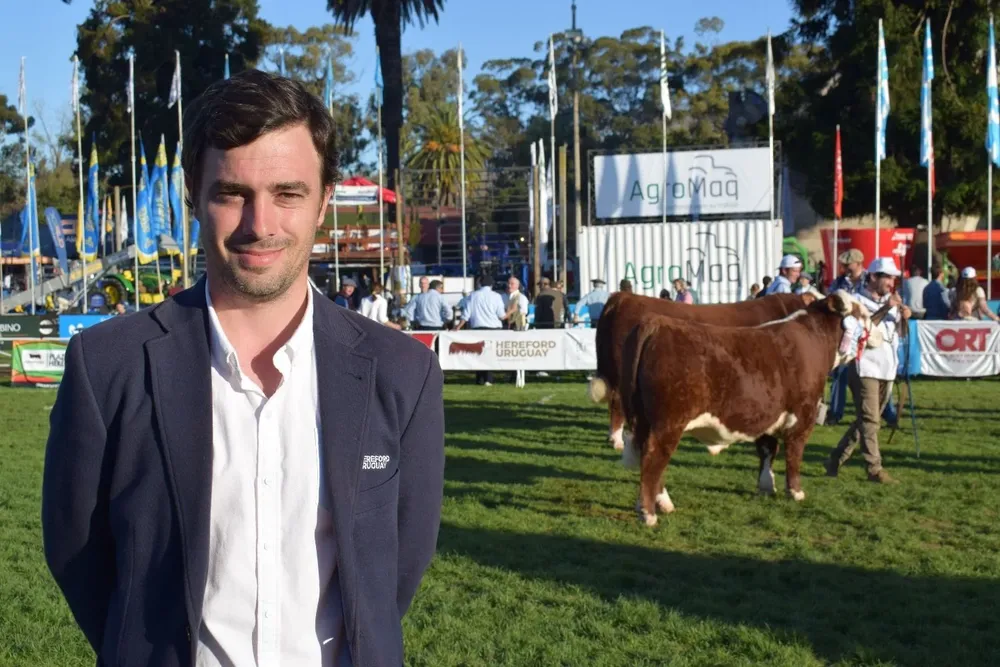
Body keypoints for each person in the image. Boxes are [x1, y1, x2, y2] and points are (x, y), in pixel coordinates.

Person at [41, 69, 445, 667]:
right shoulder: (108, 367)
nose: (261, 225)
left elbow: (395, 571)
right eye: (233, 194)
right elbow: (78, 554)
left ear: (324, 200)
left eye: (288, 193)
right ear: (193, 193)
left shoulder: (402, 374)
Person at [826, 257, 911, 484]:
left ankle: (835, 458)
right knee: (870, 420)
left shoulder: (892, 301)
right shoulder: (855, 301)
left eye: (894, 277)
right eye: (887, 277)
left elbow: (898, 334)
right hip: (863, 366)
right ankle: (874, 469)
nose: (891, 282)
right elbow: (862, 329)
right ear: (873, 277)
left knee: (866, 420)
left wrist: (904, 318)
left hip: (887, 368)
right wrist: (886, 308)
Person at [458, 273, 507, 385]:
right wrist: (511, 311)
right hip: (493, 329)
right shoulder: (496, 296)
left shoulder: (473, 296)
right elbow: (501, 315)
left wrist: (458, 327)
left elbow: (466, 315)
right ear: (492, 285)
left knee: (479, 354)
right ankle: (488, 379)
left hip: (478, 328)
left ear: (480, 283)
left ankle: (479, 378)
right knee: (489, 355)